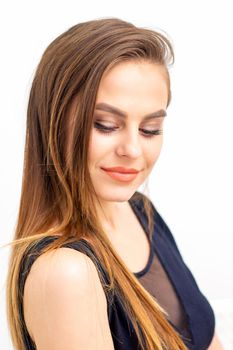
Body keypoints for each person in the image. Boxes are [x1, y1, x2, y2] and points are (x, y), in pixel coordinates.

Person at [5, 17, 223, 350]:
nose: (133, 150)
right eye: (105, 125)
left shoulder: (140, 211)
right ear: (53, 121)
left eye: (150, 129)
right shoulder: (65, 273)